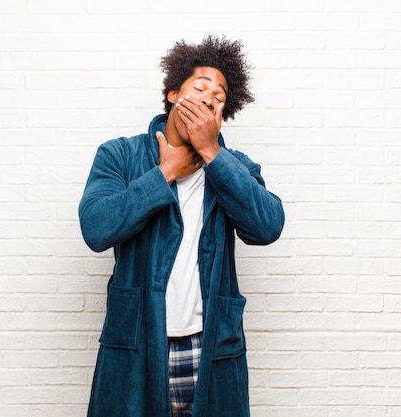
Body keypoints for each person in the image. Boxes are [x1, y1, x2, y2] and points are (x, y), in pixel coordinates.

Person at [78, 35, 285, 417]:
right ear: (173, 93)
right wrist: (166, 172)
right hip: (138, 345)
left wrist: (211, 153)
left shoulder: (234, 166)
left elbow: (267, 226)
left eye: (219, 96)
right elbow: (96, 227)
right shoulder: (120, 155)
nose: (209, 98)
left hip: (209, 348)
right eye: (200, 87)